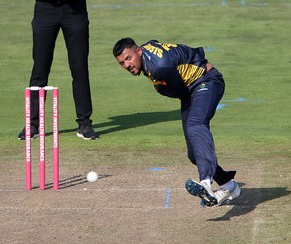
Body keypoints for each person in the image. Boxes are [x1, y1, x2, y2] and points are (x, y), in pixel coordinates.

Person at [113, 38, 241, 207]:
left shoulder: (159, 66)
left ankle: (206, 183)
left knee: (196, 124)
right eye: (122, 63)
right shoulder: (147, 57)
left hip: (207, 80)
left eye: (128, 58)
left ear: (139, 51)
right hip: (191, 88)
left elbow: (179, 91)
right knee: (194, 154)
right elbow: (155, 41)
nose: (127, 65)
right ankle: (228, 185)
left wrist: (160, 87)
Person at [18, 0, 99, 141]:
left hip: (75, 11)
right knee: (40, 68)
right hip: (45, 9)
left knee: (79, 67)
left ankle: (84, 124)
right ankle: (32, 124)